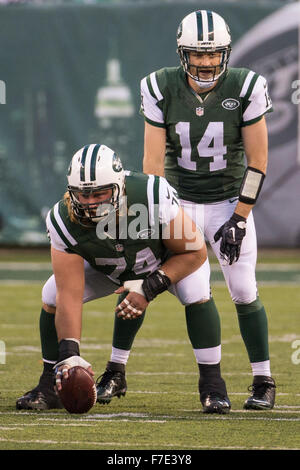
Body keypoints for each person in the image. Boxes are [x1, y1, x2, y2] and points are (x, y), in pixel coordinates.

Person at [17, 143, 230, 414]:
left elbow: (194, 252)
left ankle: (213, 386)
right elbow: (68, 292)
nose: (91, 202)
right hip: (112, 267)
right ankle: (49, 385)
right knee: (51, 295)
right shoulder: (62, 219)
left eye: (100, 192)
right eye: (83, 194)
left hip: (168, 261)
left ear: (119, 185)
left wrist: (149, 287)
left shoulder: (151, 193)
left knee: (195, 291)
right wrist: (69, 354)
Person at [137, 9, 275, 410]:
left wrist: (240, 217)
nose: (205, 62)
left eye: (213, 53)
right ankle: (213, 388)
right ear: (183, 54)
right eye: (197, 54)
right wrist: (162, 214)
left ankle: (263, 380)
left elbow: (259, 161)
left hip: (230, 201)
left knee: (244, 289)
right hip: (182, 203)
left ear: (225, 52)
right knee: (195, 294)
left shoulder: (247, 86)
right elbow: (152, 164)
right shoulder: (160, 86)